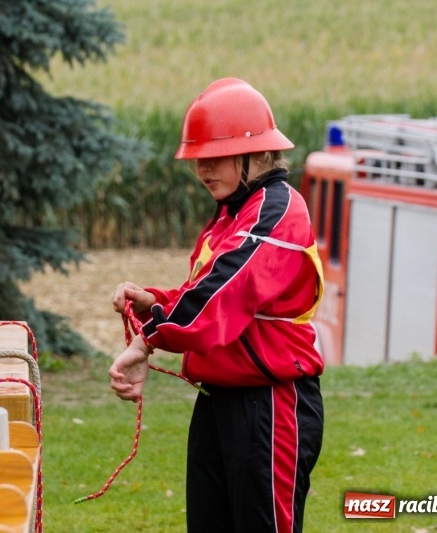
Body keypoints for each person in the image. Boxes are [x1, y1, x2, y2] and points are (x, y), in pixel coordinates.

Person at [109, 78, 325, 532]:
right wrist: (155, 305)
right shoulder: (232, 211)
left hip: (269, 403)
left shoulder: (278, 208)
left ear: (257, 153)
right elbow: (206, 290)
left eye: (214, 157)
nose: (202, 171)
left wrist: (147, 341)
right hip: (219, 400)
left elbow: (221, 295)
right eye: (196, 160)